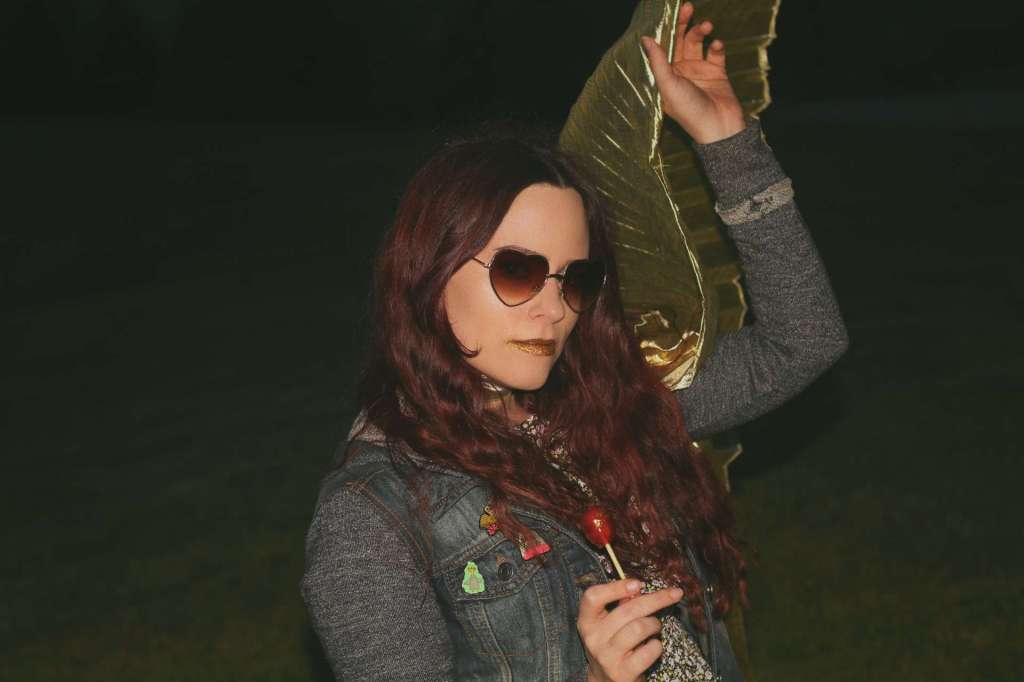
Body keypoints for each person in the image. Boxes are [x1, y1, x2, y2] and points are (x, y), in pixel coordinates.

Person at [301, 3, 848, 680]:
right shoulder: (373, 516)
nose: (553, 308)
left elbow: (804, 340)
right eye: (518, 272)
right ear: (428, 275)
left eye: (576, 279)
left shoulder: (608, 407)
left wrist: (727, 140)